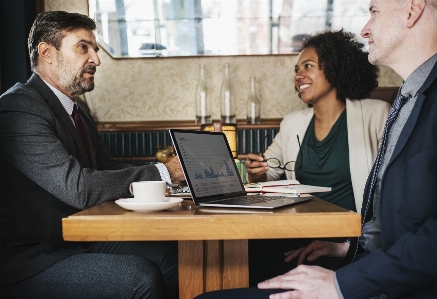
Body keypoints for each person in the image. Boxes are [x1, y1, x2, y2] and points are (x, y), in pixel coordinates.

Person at [195, 0, 437, 298]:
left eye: (374, 12)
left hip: (365, 256)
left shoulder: (380, 112)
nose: (365, 28)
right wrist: (346, 249)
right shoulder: (407, 99)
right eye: (296, 69)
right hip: (332, 243)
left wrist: (341, 280)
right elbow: (272, 169)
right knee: (247, 261)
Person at [0, 11, 185, 299]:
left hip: (77, 241)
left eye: (95, 49)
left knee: (176, 255)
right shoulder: (19, 108)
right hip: (32, 259)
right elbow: (78, 187)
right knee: (140, 278)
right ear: (47, 52)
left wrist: (174, 184)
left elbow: (107, 169)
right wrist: (166, 172)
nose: (96, 60)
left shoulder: (77, 113)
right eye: (83, 47)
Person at [246, 30, 390, 285]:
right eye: (297, 68)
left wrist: (348, 243)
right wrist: (256, 171)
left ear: (334, 69)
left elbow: (389, 191)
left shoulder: (375, 114)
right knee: (241, 258)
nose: (298, 75)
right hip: (298, 234)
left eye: (308, 66)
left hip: (351, 243)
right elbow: (269, 170)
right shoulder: (292, 123)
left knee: (252, 269)